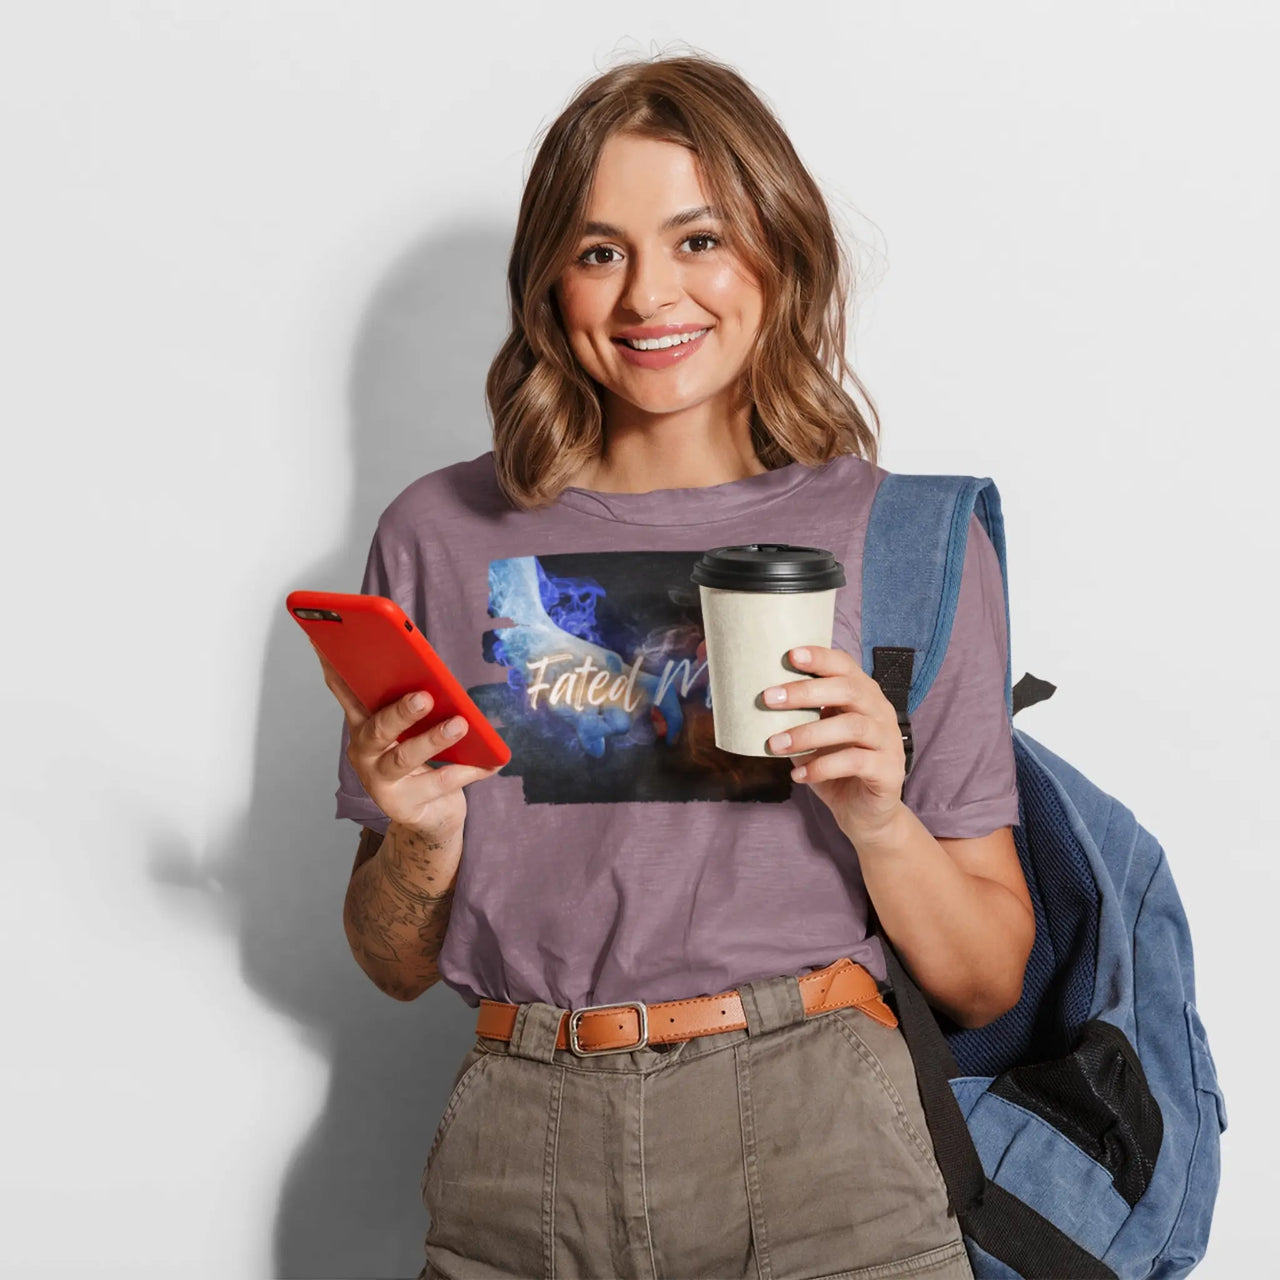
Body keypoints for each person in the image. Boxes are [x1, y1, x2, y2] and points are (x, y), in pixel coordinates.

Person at [312, 52, 1034, 1280]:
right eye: (599, 251)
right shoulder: (437, 535)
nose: (650, 293)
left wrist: (875, 814)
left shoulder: (906, 540)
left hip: (824, 1151)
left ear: (776, 249)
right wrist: (421, 841)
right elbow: (388, 959)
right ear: (551, 280)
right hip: (517, 1145)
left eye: (697, 238)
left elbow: (984, 978)